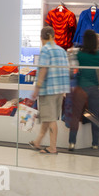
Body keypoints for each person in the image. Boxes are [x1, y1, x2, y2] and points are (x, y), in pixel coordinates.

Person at [29, 26, 70, 154]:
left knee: (51, 119)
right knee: (48, 117)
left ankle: (52, 148)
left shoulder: (45, 50)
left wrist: (37, 88)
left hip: (48, 89)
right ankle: (38, 141)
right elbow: (66, 69)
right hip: (60, 89)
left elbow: (43, 69)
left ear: (41, 38)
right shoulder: (61, 50)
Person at [68, 30, 99, 151]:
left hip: (81, 88)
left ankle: (72, 142)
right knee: (94, 117)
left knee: (75, 116)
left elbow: (71, 54)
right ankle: (95, 143)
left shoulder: (80, 54)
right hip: (94, 89)